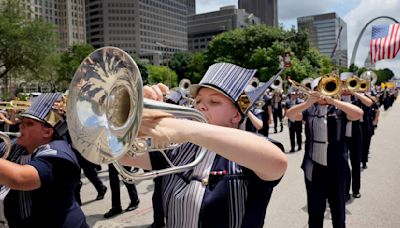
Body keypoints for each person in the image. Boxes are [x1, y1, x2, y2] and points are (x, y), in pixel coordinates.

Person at [121, 63, 287, 228]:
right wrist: (128, 117)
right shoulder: (178, 146)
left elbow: (276, 162)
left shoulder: (248, 150)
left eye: (214, 101)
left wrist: (185, 128)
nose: (200, 105)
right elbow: (121, 154)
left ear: (236, 115)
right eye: (198, 100)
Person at [0, 93, 88, 227]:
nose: (21, 126)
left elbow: (19, 178)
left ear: (47, 132)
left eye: (29, 123)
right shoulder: (20, 145)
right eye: (22, 122)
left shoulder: (59, 154)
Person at [286, 76, 363, 228]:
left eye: (325, 89)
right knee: (315, 211)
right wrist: (308, 102)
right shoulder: (308, 110)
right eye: (318, 90)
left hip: (338, 166)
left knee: (338, 211)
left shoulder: (339, 109)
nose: (322, 94)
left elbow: (358, 113)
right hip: (313, 168)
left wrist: (334, 101)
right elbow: (290, 114)